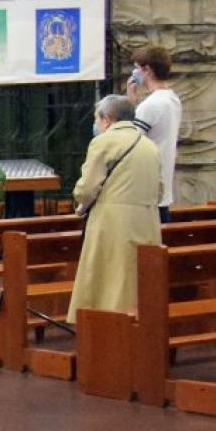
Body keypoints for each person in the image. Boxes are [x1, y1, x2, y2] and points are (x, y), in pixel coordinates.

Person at [66, 94, 164, 325]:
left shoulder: (103, 142)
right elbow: (159, 189)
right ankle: (139, 324)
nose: (96, 125)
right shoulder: (149, 145)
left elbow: (87, 187)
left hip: (112, 221)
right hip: (147, 219)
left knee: (108, 280)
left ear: (107, 119)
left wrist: (79, 199)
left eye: (96, 120)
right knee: (135, 278)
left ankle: (108, 329)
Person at [126, 43, 182, 222]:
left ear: (147, 69)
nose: (134, 74)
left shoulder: (151, 104)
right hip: (161, 187)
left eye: (136, 68)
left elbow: (129, 141)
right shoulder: (172, 99)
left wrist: (129, 106)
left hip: (147, 191)